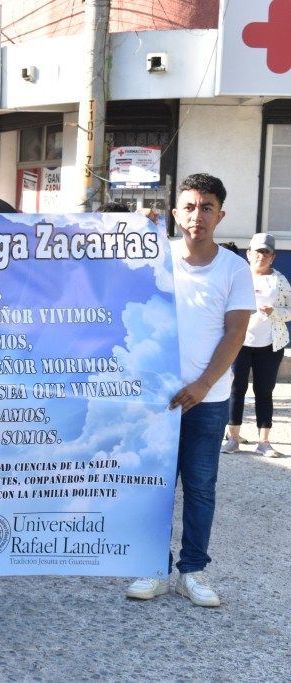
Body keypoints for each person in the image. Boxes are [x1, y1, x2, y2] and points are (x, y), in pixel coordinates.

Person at [125, 173, 254, 608]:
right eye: (190, 206)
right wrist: (131, 227)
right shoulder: (155, 256)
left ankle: (192, 572)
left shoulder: (234, 269)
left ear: (220, 215)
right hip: (156, 399)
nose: (198, 215)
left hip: (208, 400)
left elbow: (235, 333)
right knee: (154, 485)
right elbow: (99, 269)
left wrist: (202, 385)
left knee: (199, 487)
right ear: (176, 213)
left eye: (207, 207)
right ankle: (155, 568)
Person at [222, 232, 291, 458]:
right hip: (238, 342)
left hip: (270, 344)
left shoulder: (280, 281)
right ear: (248, 254)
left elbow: (289, 311)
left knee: (264, 391)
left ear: (273, 256)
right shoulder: (238, 276)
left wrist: (274, 312)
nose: (261, 256)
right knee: (236, 388)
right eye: (257, 252)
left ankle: (264, 442)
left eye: (266, 252)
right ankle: (233, 438)